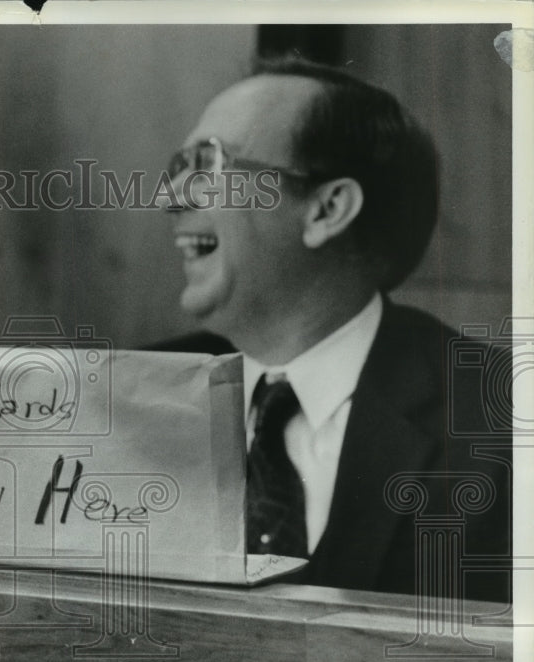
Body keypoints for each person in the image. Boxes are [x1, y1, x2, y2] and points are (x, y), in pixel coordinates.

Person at [155, 58, 511, 603]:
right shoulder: (130, 399)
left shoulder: (501, 424)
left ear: (326, 208)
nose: (171, 199)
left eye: (206, 163)